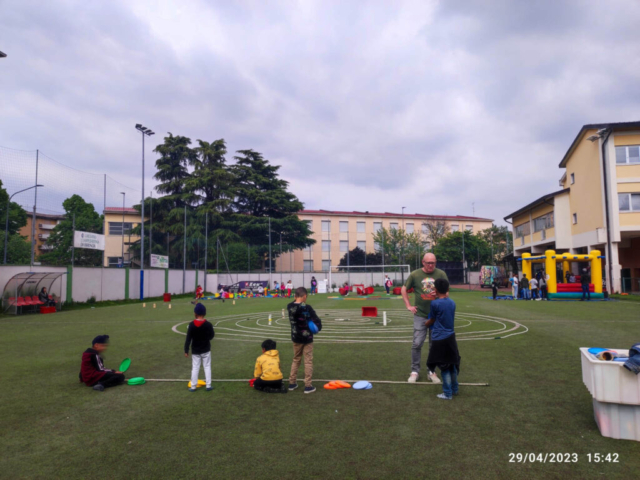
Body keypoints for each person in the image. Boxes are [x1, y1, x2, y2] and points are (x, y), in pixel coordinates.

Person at [402, 252, 448, 384]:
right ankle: (414, 371)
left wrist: (440, 295)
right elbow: (403, 289)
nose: (430, 265)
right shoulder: (415, 274)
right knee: (417, 343)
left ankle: (431, 371)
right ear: (423, 262)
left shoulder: (441, 274)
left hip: (436, 316)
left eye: (433, 262)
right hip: (420, 315)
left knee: (434, 345)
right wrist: (409, 306)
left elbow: (447, 292)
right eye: (428, 263)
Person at [426, 279, 460, 400]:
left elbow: (432, 319)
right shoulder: (452, 303)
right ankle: (455, 389)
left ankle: (447, 393)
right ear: (448, 289)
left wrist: (426, 323)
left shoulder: (434, 304)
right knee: (452, 365)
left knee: (444, 366)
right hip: (451, 337)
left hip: (439, 338)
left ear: (435, 290)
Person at [287, 287, 322, 394]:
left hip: (296, 337)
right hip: (307, 338)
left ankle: (292, 383)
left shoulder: (290, 306)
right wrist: (317, 328)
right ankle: (308, 385)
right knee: (308, 361)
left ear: (295, 296)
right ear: (305, 296)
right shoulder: (307, 308)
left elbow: (294, 304)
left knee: (296, 359)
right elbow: (317, 321)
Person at [184, 303, 215, 392]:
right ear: (205, 313)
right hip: (206, 349)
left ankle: (193, 386)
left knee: (195, 367)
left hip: (195, 350)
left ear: (195, 313)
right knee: (207, 366)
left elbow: (188, 338)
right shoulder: (208, 324)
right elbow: (212, 336)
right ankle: (208, 385)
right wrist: (206, 338)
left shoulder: (191, 325)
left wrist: (186, 350)